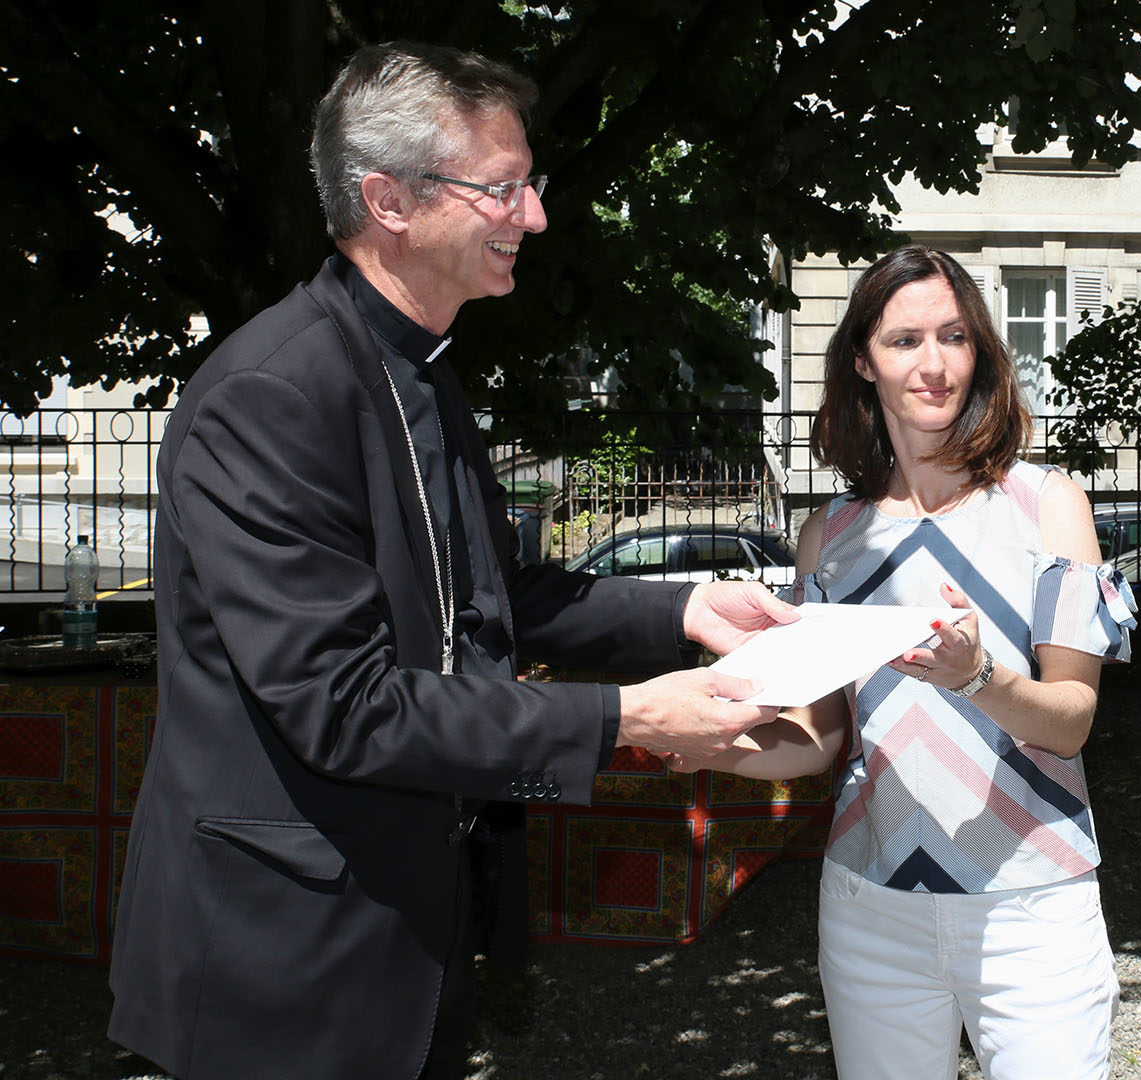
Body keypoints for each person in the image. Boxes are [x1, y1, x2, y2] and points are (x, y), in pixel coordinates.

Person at [107, 43, 792, 1080]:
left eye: (533, 185)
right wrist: (629, 720)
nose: (536, 217)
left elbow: (491, 598)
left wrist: (687, 608)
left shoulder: (418, 370)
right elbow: (345, 704)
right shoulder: (273, 394)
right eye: (504, 188)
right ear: (390, 200)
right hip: (283, 958)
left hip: (412, 924)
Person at [668, 246, 1137, 1079]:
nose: (934, 364)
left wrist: (976, 676)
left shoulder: (1045, 505)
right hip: (869, 906)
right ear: (862, 359)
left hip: (1032, 901)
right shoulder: (830, 536)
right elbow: (820, 739)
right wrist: (717, 744)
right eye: (905, 340)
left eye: (954, 337)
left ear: (980, 350)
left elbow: (1070, 723)